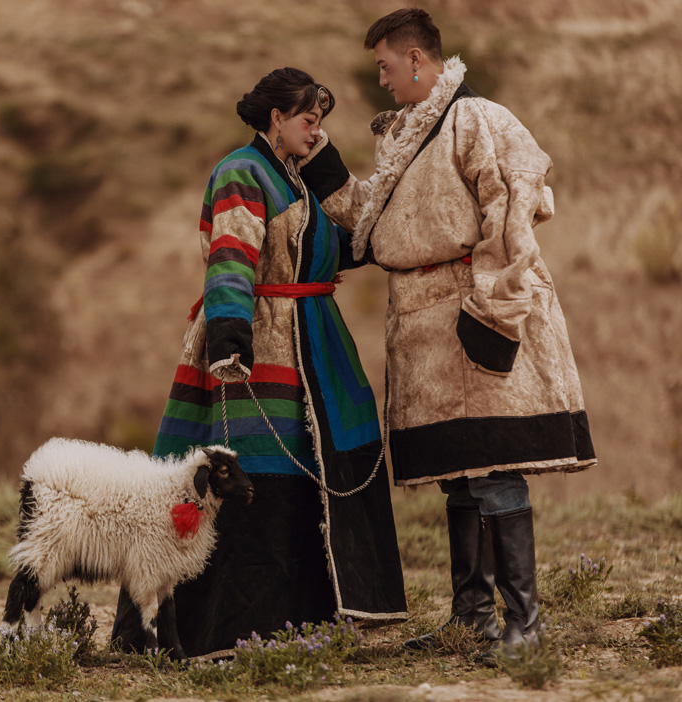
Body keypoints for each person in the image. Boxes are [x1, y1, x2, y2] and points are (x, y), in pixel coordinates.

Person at [297, 8, 597, 663]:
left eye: (384, 66)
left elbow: (515, 208)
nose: (380, 80)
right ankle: (472, 619)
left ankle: (527, 624)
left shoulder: (478, 118)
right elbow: (373, 228)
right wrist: (320, 164)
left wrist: (491, 308)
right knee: (459, 475)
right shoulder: (403, 136)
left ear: (415, 59)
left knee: (493, 467)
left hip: (471, 307)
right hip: (423, 328)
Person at [111, 67, 408, 659]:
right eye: (306, 117)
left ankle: (307, 621)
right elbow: (230, 258)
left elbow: (368, 236)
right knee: (255, 477)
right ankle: (223, 630)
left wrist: (328, 167)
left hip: (318, 347)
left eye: (321, 119)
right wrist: (229, 340)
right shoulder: (242, 172)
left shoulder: (307, 180)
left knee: (307, 481)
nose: (315, 127)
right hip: (257, 343)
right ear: (275, 117)